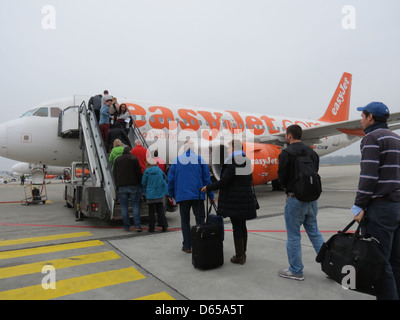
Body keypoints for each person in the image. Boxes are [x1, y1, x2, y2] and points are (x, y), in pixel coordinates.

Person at [352, 102, 400, 300]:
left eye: (362, 116)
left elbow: (369, 177)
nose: (361, 120)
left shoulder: (371, 138)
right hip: (397, 206)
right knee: (395, 260)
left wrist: (360, 205)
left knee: (379, 261)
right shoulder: (396, 138)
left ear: (370, 117)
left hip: (380, 208)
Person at [277, 124, 324, 281]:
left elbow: (281, 178)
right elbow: (315, 171)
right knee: (315, 232)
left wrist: (288, 187)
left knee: (293, 236)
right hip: (312, 199)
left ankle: (296, 270)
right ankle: (329, 265)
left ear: (289, 136)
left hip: (294, 199)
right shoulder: (312, 152)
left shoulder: (285, 153)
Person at [201, 139, 257, 264]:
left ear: (234, 148)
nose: (227, 150)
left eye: (229, 148)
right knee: (242, 226)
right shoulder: (246, 160)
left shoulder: (232, 162)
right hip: (245, 199)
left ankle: (239, 256)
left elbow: (224, 181)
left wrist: (208, 187)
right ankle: (243, 253)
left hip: (235, 200)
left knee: (236, 226)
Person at [168, 140, 214, 253]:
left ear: (184, 149)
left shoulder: (176, 160)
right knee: (200, 219)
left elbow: (171, 179)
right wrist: (211, 195)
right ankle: (200, 243)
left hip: (183, 195)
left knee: (185, 221)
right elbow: (207, 179)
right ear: (193, 149)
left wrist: (171, 194)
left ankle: (187, 246)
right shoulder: (200, 159)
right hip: (198, 195)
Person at [113, 146, 143, 232]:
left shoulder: (117, 160)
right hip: (133, 185)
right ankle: (137, 226)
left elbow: (115, 173)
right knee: (135, 206)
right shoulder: (133, 158)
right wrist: (139, 183)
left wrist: (117, 185)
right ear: (130, 151)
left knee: (124, 207)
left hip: (122, 186)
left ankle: (126, 227)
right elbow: (138, 172)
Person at [142, 158, 168, 232]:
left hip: (150, 194)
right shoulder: (159, 170)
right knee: (160, 210)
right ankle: (164, 226)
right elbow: (165, 178)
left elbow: (143, 182)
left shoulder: (146, 171)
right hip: (159, 193)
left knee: (151, 212)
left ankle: (151, 228)